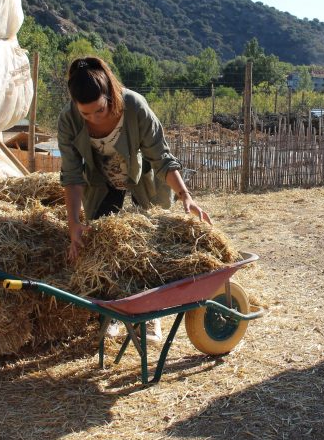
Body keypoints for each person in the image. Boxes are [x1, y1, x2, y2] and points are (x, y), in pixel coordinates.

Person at [58, 56, 211, 340]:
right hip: (100, 181)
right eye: (85, 114)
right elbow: (72, 175)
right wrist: (73, 224)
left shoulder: (135, 107)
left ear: (110, 96)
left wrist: (185, 196)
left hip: (143, 175)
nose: (92, 118)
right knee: (103, 243)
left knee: (151, 241)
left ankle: (151, 315)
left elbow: (162, 158)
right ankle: (116, 312)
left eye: (99, 111)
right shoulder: (68, 119)